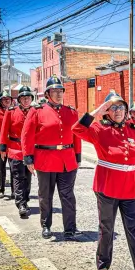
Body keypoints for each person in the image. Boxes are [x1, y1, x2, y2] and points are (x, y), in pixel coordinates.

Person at [72, 90, 135, 270]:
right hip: (107, 187)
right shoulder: (100, 130)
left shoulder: (133, 130)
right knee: (106, 227)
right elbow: (76, 129)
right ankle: (103, 264)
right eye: (113, 107)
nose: (118, 111)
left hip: (130, 188)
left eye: (121, 107)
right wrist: (98, 110)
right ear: (107, 111)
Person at [21, 75, 82, 240]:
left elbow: (76, 135)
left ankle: (70, 228)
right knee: (46, 195)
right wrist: (28, 158)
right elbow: (27, 135)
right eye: (54, 91)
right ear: (47, 94)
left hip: (67, 160)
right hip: (45, 160)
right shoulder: (37, 111)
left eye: (60, 90)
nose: (58, 94)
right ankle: (46, 225)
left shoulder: (71, 112)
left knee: (68, 195)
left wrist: (78, 156)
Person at [0, 86, 34, 217]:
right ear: (19, 99)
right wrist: (3, 148)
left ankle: (25, 198)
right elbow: (4, 130)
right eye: (24, 98)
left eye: (28, 98)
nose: (26, 100)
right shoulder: (11, 111)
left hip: (30, 150)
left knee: (28, 177)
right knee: (18, 177)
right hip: (15, 149)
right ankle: (21, 203)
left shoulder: (34, 111)